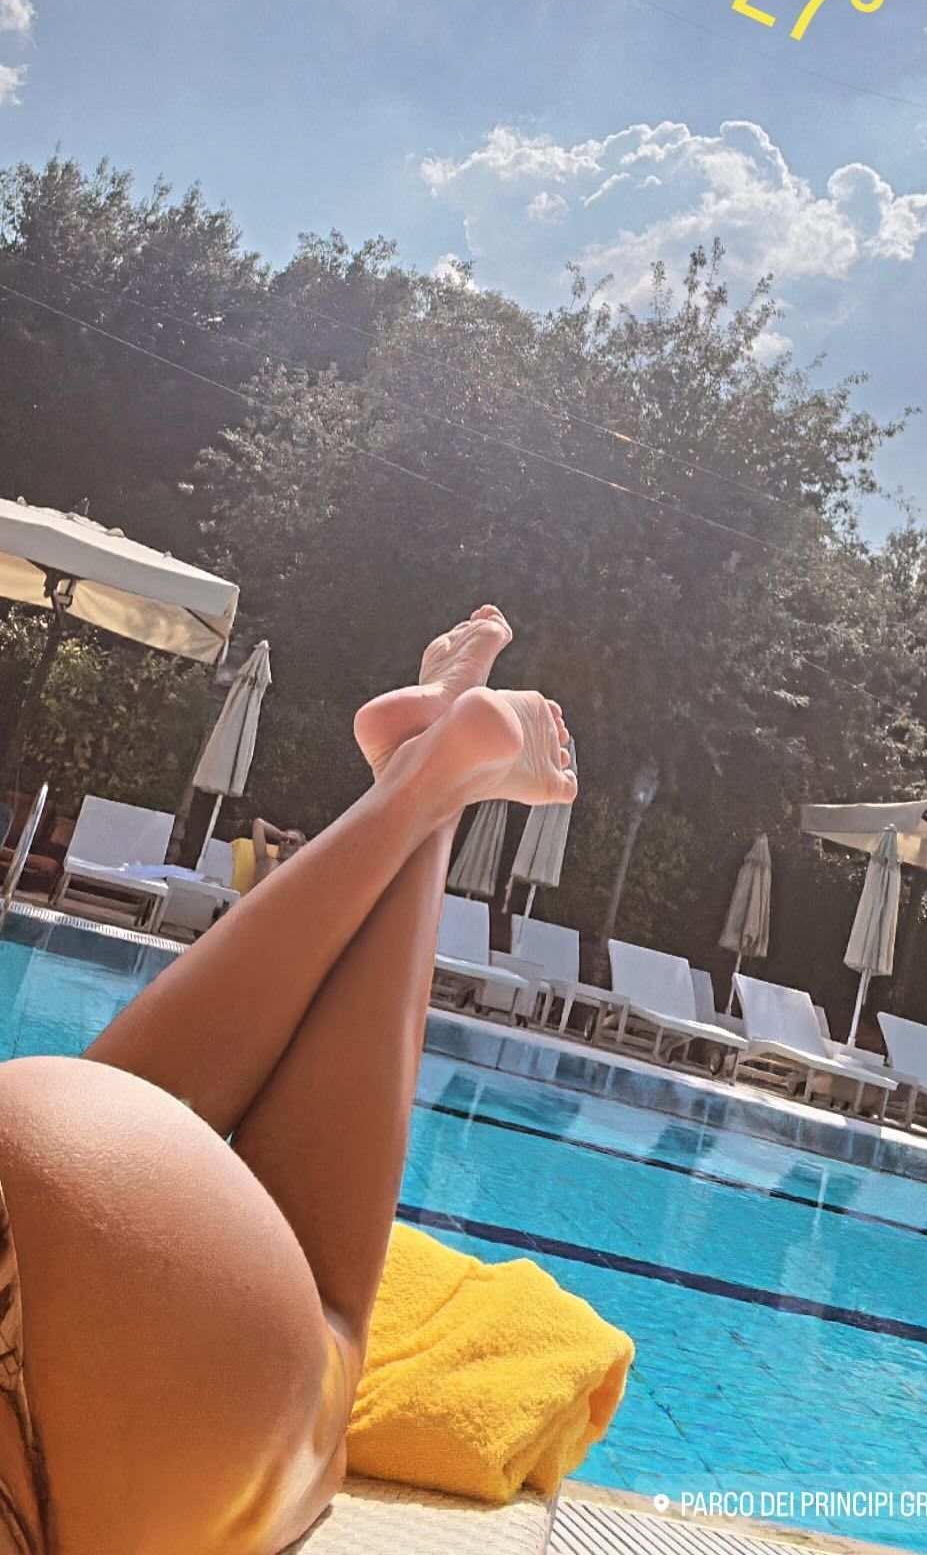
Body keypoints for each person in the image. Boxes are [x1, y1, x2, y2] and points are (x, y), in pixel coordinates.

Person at [0, 605, 575, 1554]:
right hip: (45, 1127)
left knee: (333, 1342)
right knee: (128, 1124)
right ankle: (423, 778)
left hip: (74, 1450)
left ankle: (435, 777)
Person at [228, 816, 308, 894]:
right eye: (284, 840)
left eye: (292, 842)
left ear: (300, 848)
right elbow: (259, 823)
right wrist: (281, 835)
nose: (286, 843)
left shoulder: (299, 872)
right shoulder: (265, 860)